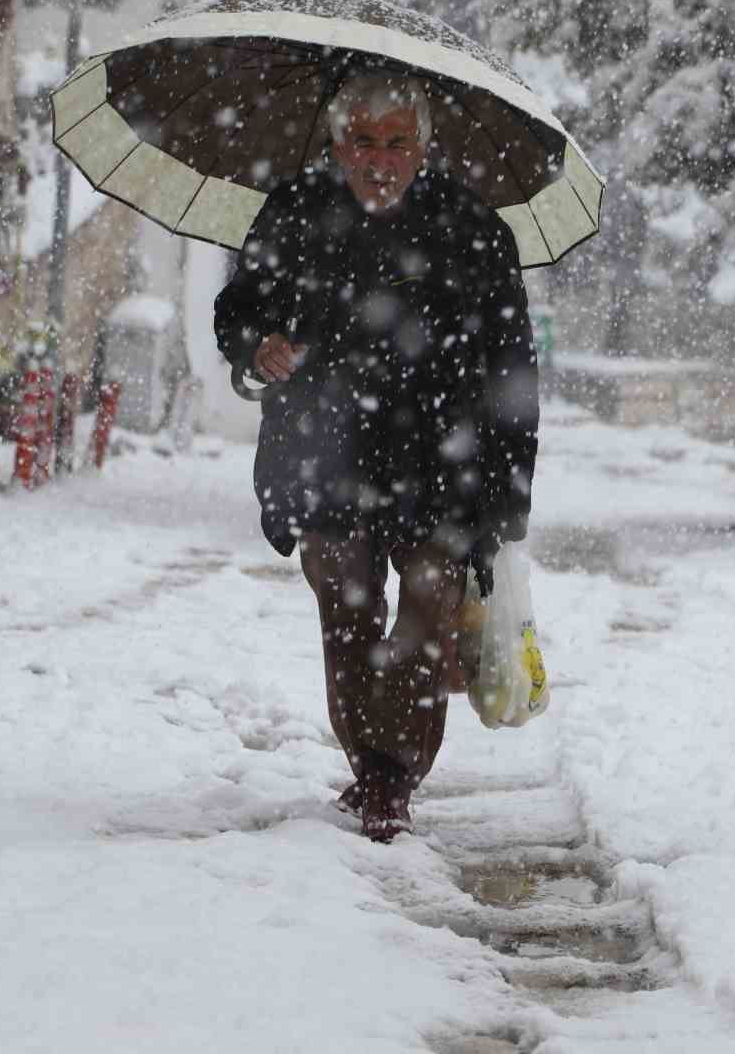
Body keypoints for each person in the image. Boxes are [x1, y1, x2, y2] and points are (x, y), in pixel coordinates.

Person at [214, 72, 539, 843]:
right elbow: (239, 309)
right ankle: (372, 768)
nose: (379, 159)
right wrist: (259, 347)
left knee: (426, 609)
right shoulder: (294, 212)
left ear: (423, 147)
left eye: (397, 142)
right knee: (347, 608)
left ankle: (393, 776)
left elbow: (511, 371)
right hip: (327, 453)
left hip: (442, 463)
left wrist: (507, 497)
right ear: (337, 144)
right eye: (363, 140)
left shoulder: (473, 229)